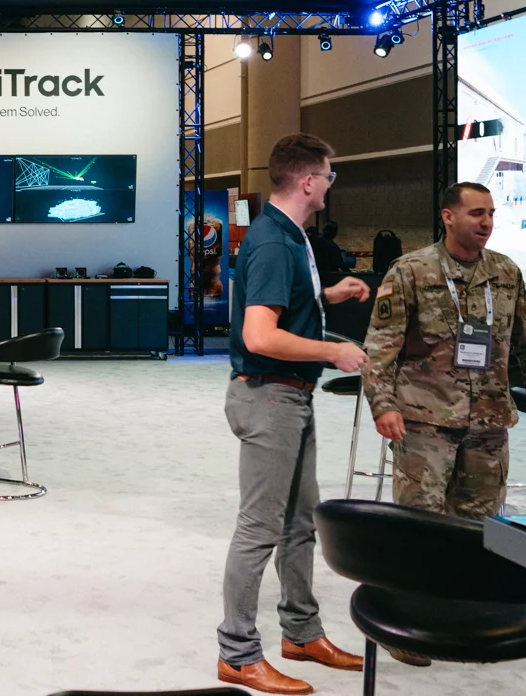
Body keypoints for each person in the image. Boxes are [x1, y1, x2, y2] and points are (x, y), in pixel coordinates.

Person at [216, 133, 370, 696]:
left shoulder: (288, 236)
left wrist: (325, 296)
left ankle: (301, 634)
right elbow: (261, 335)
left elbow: (280, 306)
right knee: (260, 528)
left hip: (289, 397)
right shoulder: (276, 242)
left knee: (299, 522)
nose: (331, 185)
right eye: (328, 176)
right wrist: (333, 350)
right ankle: (237, 654)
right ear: (308, 181)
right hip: (270, 398)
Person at [363, 181, 526, 524]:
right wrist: (383, 405)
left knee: (479, 525)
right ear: (448, 217)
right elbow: (380, 348)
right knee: (420, 522)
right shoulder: (411, 270)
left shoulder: (505, 272)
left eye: (491, 214)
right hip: (426, 420)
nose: (486, 222)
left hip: (489, 421)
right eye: (476, 213)